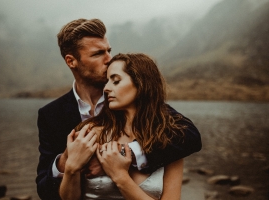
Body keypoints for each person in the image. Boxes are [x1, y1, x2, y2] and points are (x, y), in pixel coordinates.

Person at [36, 18, 201, 200]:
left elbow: (190, 136)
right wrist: (66, 162)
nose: (109, 59)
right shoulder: (51, 115)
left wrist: (123, 154)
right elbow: (45, 190)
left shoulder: (132, 101)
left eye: (109, 50)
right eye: (98, 53)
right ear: (71, 61)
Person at [60, 53, 194, 200]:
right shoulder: (92, 133)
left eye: (116, 81)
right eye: (107, 81)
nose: (106, 88)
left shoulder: (170, 141)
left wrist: (120, 176)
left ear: (141, 83)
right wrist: (71, 168)